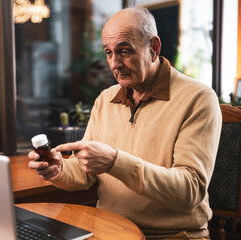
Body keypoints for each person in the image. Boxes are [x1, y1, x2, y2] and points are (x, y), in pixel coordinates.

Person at [28, 7, 222, 240]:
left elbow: (190, 190)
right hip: (109, 231)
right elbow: (85, 171)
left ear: (154, 48)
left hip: (171, 235)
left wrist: (114, 161)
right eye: (109, 52)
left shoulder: (198, 98)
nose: (114, 63)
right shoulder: (105, 99)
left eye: (124, 51)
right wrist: (58, 169)